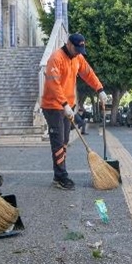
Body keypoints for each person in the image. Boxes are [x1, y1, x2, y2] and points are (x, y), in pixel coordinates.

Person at [41, 33, 108, 190]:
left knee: (64, 141)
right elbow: (53, 84)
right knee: (58, 141)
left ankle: (60, 173)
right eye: (76, 49)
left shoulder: (77, 58)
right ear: (69, 44)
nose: (78, 52)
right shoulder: (56, 59)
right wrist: (64, 104)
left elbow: (88, 73)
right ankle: (60, 177)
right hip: (53, 106)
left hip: (67, 106)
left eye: (81, 50)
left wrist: (100, 89)